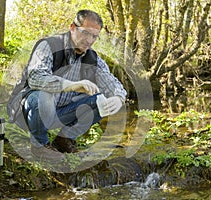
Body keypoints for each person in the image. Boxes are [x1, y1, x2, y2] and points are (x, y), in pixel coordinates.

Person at [7, 9, 127, 155]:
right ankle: (40, 146)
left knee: (100, 101)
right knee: (41, 96)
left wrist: (118, 97)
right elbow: (36, 77)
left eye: (94, 36)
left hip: (62, 113)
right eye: (85, 33)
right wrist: (70, 85)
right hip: (28, 112)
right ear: (72, 28)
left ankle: (64, 139)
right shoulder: (49, 46)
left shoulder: (93, 59)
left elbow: (112, 83)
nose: (89, 40)